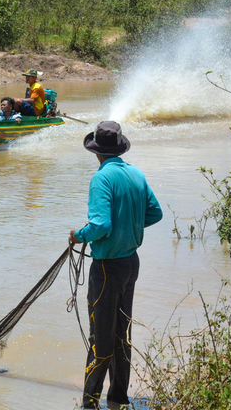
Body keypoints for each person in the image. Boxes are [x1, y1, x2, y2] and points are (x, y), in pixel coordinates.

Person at [68, 121, 163, 409]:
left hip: (107, 267)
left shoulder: (101, 179)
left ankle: (89, 402)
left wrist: (78, 235)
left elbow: (100, 225)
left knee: (101, 335)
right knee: (122, 332)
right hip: (130, 264)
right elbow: (155, 213)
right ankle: (119, 398)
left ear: (96, 151)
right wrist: (129, 226)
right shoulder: (135, 173)